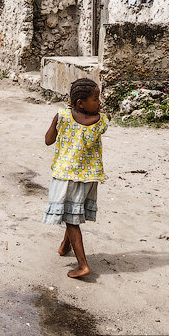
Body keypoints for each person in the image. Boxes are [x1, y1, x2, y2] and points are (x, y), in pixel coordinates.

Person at [43, 78, 109, 279]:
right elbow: (94, 122)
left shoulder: (62, 116)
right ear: (81, 103)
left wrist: (56, 120)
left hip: (66, 176)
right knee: (72, 210)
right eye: (95, 98)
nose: (99, 102)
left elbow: (48, 141)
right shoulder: (102, 121)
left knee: (71, 220)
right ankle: (65, 246)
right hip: (89, 177)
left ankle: (83, 265)